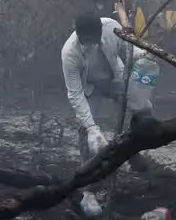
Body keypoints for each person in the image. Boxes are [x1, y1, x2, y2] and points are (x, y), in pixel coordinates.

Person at [60, 12, 151, 175]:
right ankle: (88, 170)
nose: (90, 45)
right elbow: (75, 93)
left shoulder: (111, 28)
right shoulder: (69, 53)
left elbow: (128, 49)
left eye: (92, 40)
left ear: (99, 31)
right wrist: (92, 128)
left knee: (140, 110)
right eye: (85, 41)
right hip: (89, 86)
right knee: (85, 128)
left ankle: (131, 152)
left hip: (114, 76)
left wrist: (141, 56)